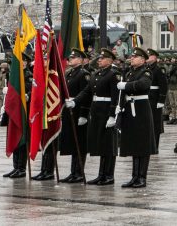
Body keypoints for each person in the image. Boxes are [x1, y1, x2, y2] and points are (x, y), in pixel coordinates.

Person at [71, 48, 120, 185]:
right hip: (96, 111)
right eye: (99, 58)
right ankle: (101, 174)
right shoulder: (97, 74)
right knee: (100, 144)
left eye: (102, 58)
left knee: (109, 145)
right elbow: (87, 91)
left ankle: (109, 175)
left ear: (109, 60)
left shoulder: (113, 74)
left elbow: (115, 97)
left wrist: (112, 116)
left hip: (106, 110)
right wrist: (75, 101)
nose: (99, 60)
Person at [116, 47, 156, 188]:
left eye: (135, 57)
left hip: (141, 109)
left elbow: (143, 84)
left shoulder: (146, 71)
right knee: (134, 144)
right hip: (130, 108)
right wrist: (119, 107)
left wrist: (126, 85)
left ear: (142, 59)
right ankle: (134, 176)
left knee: (143, 144)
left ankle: (142, 177)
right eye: (131, 57)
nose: (132, 59)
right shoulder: (130, 72)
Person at [59, 49, 91, 183]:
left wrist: (83, 114)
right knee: (73, 141)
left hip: (78, 111)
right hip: (69, 109)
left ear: (81, 59)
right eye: (70, 58)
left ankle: (79, 172)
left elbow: (87, 96)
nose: (70, 60)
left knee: (80, 142)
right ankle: (73, 172)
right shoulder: (70, 73)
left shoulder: (84, 74)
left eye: (73, 58)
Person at [145, 49, 168, 152]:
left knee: (156, 123)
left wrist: (161, 100)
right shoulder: (147, 68)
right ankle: (148, 145)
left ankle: (155, 146)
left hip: (155, 99)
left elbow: (164, 85)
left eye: (149, 56)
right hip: (147, 98)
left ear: (154, 57)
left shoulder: (159, 69)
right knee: (148, 122)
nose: (147, 58)